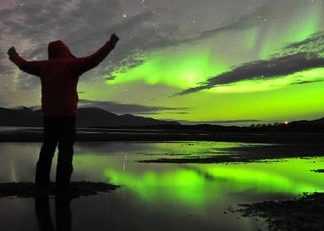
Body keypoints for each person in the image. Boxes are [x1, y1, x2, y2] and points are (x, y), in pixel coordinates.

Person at [8, 34, 119, 190]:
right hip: (67, 115)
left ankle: (41, 185)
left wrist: (13, 55)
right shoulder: (72, 64)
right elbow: (94, 59)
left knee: (47, 150)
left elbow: (24, 65)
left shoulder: (43, 66)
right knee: (65, 153)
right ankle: (62, 186)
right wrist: (110, 44)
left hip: (49, 116)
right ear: (65, 50)